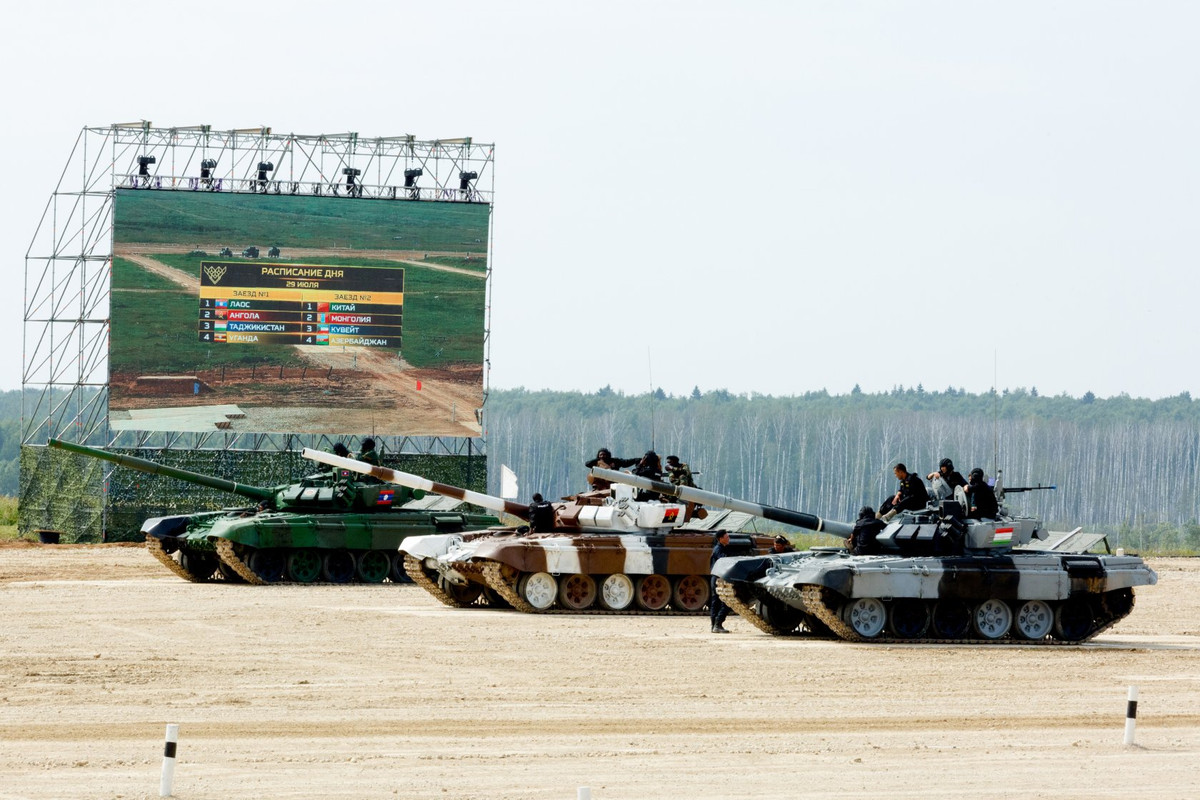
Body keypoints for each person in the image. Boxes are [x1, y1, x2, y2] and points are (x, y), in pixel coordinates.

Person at [709, 531, 732, 633]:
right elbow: (724, 560)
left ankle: (714, 625)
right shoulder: (719, 549)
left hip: (716, 577)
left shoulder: (720, 548)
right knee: (727, 602)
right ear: (720, 538)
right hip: (719, 578)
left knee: (716, 603)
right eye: (727, 537)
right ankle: (717, 624)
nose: (729, 538)